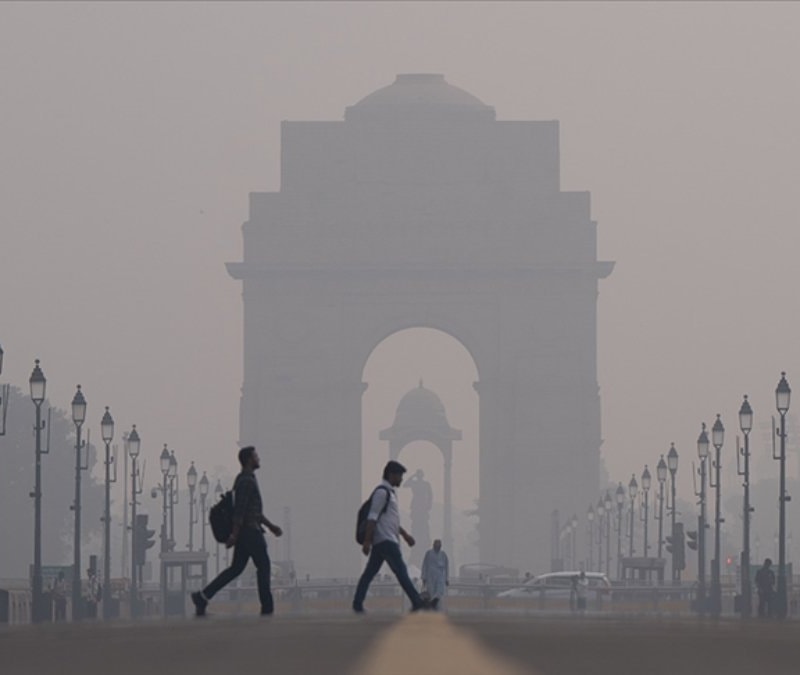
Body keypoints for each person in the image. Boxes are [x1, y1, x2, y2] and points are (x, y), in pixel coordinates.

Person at [191, 446, 282, 617]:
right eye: (256, 456)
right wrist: (234, 533)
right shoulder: (246, 481)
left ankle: (203, 596)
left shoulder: (244, 479)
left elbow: (252, 511)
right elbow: (240, 511)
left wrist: (271, 526)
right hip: (250, 533)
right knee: (264, 566)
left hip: (247, 531)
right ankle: (267, 608)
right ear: (248, 460)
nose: (258, 459)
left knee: (236, 569)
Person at [353, 460, 430, 613]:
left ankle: (357, 604)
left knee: (369, 573)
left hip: (385, 539)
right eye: (400, 476)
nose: (401, 479)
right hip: (386, 540)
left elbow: (390, 521)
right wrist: (367, 541)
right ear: (391, 475)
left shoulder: (390, 494)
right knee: (401, 571)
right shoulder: (382, 493)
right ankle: (417, 602)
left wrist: (405, 535)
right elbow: (372, 517)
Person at [421, 539, 449, 610]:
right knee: (431, 593)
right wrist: (424, 577)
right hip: (430, 576)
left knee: (439, 592)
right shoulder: (429, 553)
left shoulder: (443, 554)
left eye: (439, 545)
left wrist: (446, 579)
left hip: (440, 576)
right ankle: (432, 608)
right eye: (436, 544)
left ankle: (435, 605)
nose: (437, 546)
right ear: (433, 545)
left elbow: (446, 567)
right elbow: (424, 565)